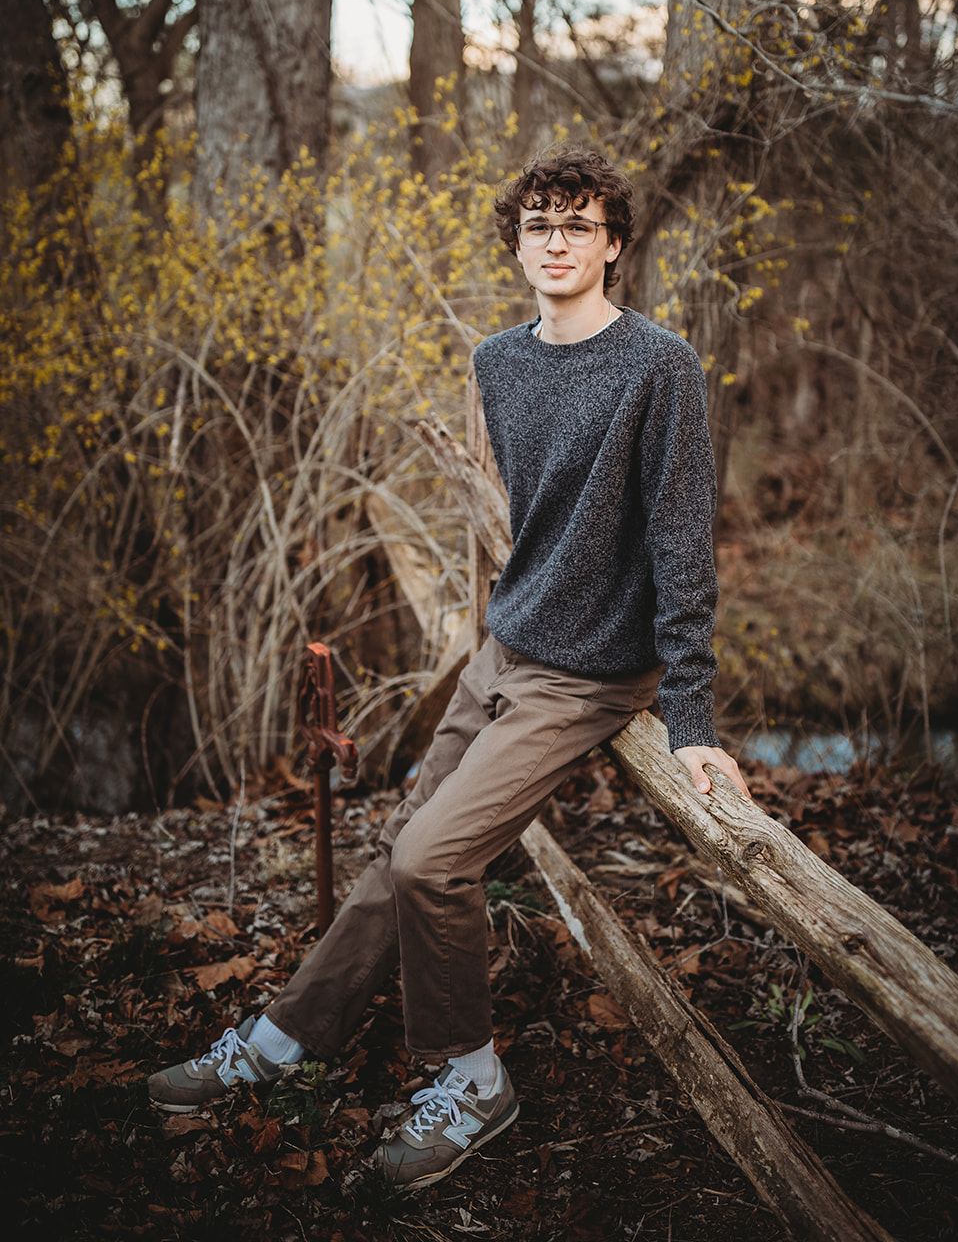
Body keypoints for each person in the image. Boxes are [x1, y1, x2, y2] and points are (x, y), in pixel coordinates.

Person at [148, 145, 749, 1187]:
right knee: (400, 851)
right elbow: (529, 516)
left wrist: (690, 720)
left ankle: (470, 1078)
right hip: (503, 648)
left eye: (577, 224)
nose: (555, 242)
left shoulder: (660, 366)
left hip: (589, 675)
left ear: (613, 243)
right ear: (516, 244)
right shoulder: (495, 362)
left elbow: (679, 545)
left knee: (432, 860)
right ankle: (285, 1039)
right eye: (536, 225)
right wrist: (506, 619)